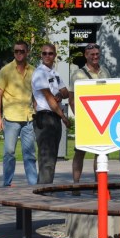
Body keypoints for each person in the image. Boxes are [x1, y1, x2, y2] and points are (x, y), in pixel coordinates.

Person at [0, 40, 37, 187]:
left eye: (21, 51)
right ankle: (7, 183)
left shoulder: (33, 71)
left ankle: (33, 184)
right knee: (9, 152)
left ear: (27, 52)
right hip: (11, 118)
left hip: (28, 118)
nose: (18, 54)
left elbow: (36, 95)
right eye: (16, 51)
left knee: (30, 154)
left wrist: (38, 113)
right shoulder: (5, 71)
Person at [69, 43, 111, 185]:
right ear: (86, 55)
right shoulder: (78, 75)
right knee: (80, 152)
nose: (95, 57)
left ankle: (98, 185)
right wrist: (79, 118)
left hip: (103, 119)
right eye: (92, 54)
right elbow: (72, 99)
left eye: (97, 54)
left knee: (100, 153)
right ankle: (76, 185)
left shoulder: (105, 72)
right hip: (85, 120)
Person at [32, 43, 70, 184]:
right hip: (45, 117)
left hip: (54, 117)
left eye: (50, 53)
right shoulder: (39, 73)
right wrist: (63, 117)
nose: (47, 56)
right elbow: (49, 98)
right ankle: (43, 191)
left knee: (51, 157)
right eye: (44, 53)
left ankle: (44, 188)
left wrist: (59, 94)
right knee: (46, 158)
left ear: (55, 55)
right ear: (41, 55)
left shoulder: (54, 73)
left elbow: (65, 92)